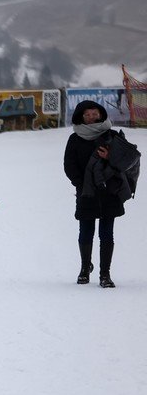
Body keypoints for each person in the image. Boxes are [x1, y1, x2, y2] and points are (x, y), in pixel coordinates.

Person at [63, 100, 134, 288]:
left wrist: (109, 157)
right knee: (85, 231)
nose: (91, 117)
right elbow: (69, 166)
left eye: (94, 113)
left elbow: (127, 161)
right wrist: (81, 185)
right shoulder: (75, 139)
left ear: (101, 114)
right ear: (81, 117)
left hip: (110, 191)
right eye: (87, 114)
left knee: (107, 233)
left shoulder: (112, 135)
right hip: (86, 192)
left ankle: (105, 274)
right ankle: (84, 269)